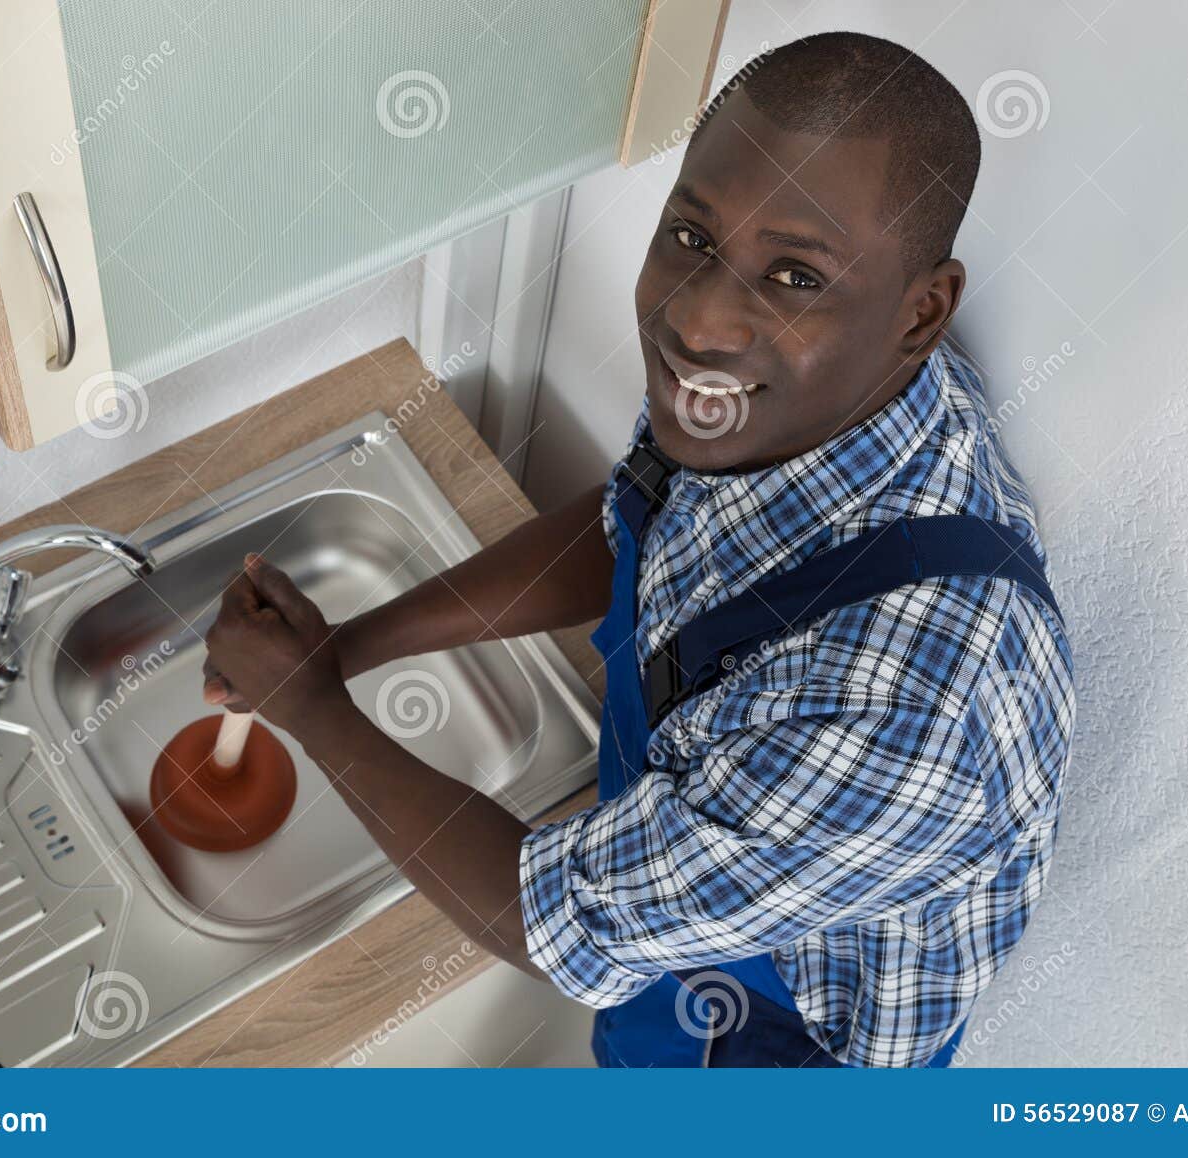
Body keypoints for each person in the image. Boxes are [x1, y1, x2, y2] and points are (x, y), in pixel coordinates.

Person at [201, 31, 1075, 1068]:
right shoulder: (802, 404)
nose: (699, 321)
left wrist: (313, 711)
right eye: (693, 239)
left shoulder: (911, 718)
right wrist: (351, 645)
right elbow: (638, 522)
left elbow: (554, 925)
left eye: (794, 275)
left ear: (920, 312)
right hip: (693, 900)